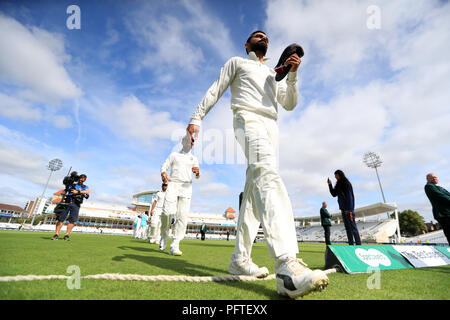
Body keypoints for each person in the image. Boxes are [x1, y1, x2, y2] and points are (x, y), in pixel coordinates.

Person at [186, 30, 329, 299]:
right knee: (268, 175)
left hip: (271, 127)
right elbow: (215, 89)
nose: (263, 38)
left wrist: (293, 74)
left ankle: (240, 259)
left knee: (253, 194)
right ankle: (287, 266)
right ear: (247, 44)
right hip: (247, 119)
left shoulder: (276, 74)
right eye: (257, 35)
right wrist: (197, 117)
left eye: (265, 36)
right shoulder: (236, 63)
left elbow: (289, 104)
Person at [159, 132, 200, 256]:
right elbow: (164, 166)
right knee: (167, 213)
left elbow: (197, 175)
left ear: (193, 144)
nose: (189, 143)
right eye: (187, 140)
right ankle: (164, 236)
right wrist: (163, 173)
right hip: (173, 184)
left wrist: (197, 173)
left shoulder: (194, 159)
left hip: (187, 187)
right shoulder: (174, 155)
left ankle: (175, 245)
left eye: (192, 141)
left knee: (182, 216)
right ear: (182, 142)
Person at [51, 174, 89, 241]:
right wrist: (65, 191)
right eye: (81, 178)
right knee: (61, 219)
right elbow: (64, 191)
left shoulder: (84, 187)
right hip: (67, 202)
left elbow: (87, 191)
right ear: (78, 178)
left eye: (83, 179)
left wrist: (78, 192)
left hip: (76, 204)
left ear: (84, 180)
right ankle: (56, 234)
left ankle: (66, 235)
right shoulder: (72, 184)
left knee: (72, 220)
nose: (81, 180)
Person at [328, 170, 361, 245]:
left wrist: (349, 209)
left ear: (339, 175)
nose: (335, 177)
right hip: (343, 210)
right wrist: (330, 185)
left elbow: (349, 197)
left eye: (335, 175)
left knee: (353, 228)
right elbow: (334, 194)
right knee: (348, 229)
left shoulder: (346, 183)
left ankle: (358, 244)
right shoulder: (339, 184)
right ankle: (351, 245)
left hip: (348, 210)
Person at [424, 173, 450, 244]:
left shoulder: (439, 187)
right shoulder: (429, 186)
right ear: (428, 179)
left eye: (436, 177)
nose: (435, 178)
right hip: (443, 214)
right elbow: (441, 196)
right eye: (432, 177)